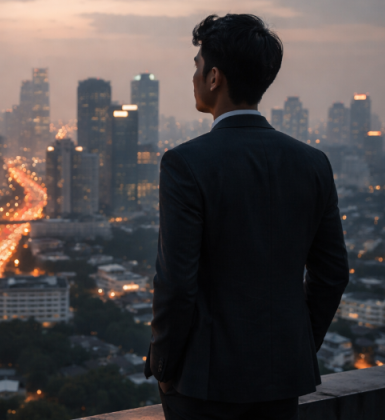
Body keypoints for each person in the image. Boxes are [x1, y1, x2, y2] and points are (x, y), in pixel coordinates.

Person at [144, 14, 349, 420]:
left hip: (204, 383)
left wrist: (165, 368)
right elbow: (332, 274)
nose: (194, 77)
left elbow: (177, 284)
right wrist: (296, 345)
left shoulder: (185, 163)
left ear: (215, 77)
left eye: (197, 66)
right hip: (281, 378)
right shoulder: (313, 163)